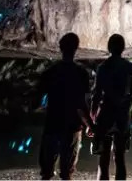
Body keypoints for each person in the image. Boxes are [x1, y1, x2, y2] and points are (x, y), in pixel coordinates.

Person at [37, 33, 94, 180]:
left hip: (52, 125)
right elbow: (81, 105)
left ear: (60, 48)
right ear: (76, 49)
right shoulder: (81, 74)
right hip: (72, 127)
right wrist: (90, 124)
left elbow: (38, 101)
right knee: (67, 173)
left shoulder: (49, 73)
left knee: (46, 172)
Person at [91, 33, 132, 180]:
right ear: (123, 48)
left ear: (109, 47)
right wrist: (124, 106)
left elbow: (97, 94)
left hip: (105, 115)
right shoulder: (130, 67)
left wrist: (92, 117)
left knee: (103, 161)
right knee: (120, 159)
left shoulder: (103, 67)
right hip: (122, 116)